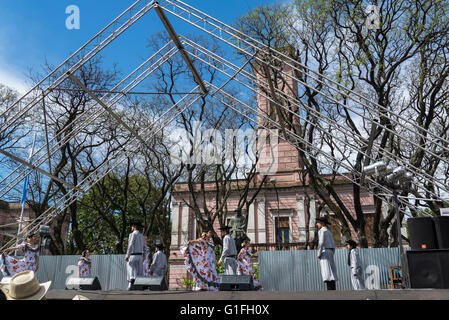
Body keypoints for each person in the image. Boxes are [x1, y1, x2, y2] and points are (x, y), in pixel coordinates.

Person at [316, 217, 338, 290]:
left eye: (318, 222)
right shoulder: (328, 231)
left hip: (324, 251)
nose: (317, 224)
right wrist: (332, 252)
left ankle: (329, 288)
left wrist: (319, 253)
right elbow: (333, 244)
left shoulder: (321, 231)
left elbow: (321, 242)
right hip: (330, 251)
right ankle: (333, 287)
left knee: (326, 269)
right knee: (331, 269)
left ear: (322, 223)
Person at [125, 221, 145, 290]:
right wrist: (144, 257)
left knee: (130, 268)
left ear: (134, 226)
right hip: (140, 256)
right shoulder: (142, 236)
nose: (131, 227)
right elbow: (145, 247)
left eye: (132, 226)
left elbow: (130, 245)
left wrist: (127, 255)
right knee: (138, 272)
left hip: (133, 255)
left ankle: (131, 282)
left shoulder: (132, 234)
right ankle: (139, 286)